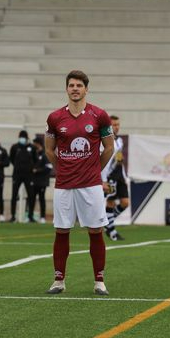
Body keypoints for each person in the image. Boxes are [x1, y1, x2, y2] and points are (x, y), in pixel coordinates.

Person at [44, 70, 115, 296]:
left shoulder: (99, 115)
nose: (75, 89)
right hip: (64, 185)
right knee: (61, 231)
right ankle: (58, 280)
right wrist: (62, 168)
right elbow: (49, 149)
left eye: (79, 85)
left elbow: (109, 148)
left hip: (90, 185)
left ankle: (99, 281)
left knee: (96, 230)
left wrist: (94, 170)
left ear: (86, 89)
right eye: (71, 85)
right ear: (66, 89)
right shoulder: (55, 117)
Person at [101, 115, 130, 241]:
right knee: (111, 202)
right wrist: (104, 179)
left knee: (125, 203)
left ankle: (108, 222)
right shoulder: (105, 141)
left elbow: (118, 160)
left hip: (120, 175)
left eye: (118, 125)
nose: (116, 127)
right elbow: (105, 161)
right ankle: (112, 231)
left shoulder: (120, 140)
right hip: (109, 176)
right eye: (114, 125)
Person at [8, 129, 38, 222]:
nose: (22, 139)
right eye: (21, 137)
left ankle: (30, 215)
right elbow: (12, 159)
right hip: (17, 174)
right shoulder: (14, 147)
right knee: (14, 195)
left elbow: (35, 159)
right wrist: (18, 167)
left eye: (24, 137)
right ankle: (13, 216)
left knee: (31, 195)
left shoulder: (32, 147)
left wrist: (29, 167)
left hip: (29, 175)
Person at [27, 134, 51, 224]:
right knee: (31, 198)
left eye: (35, 143)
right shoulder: (34, 154)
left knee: (41, 198)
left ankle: (42, 217)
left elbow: (48, 167)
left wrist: (37, 170)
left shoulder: (45, 154)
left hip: (42, 181)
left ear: (38, 144)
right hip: (33, 181)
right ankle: (30, 216)